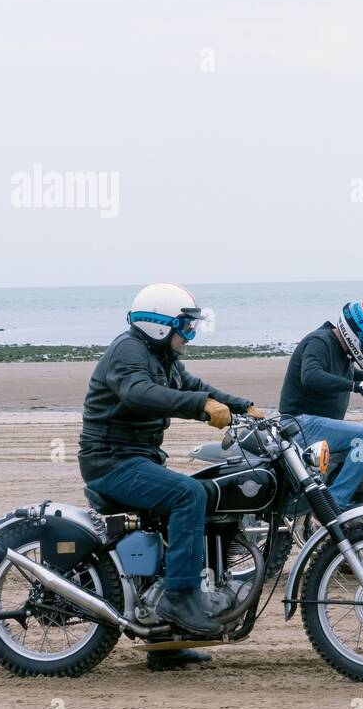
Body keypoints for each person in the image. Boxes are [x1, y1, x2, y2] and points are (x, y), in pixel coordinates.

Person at [78, 283, 263, 668]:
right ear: (160, 325)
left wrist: (243, 406)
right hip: (111, 462)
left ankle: (167, 643)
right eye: (186, 327)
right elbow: (139, 393)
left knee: (205, 493)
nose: (190, 335)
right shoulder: (128, 352)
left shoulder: (162, 357)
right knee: (187, 495)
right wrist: (201, 408)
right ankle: (180, 596)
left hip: (137, 459)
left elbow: (196, 387)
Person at [278, 301, 363, 511]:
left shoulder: (342, 349)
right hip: (299, 425)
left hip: (315, 425)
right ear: (358, 333)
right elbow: (311, 376)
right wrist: (357, 386)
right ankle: (334, 503)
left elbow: (347, 373)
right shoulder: (320, 341)